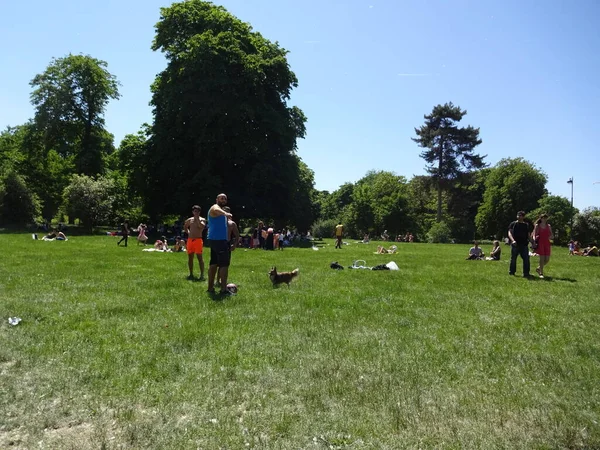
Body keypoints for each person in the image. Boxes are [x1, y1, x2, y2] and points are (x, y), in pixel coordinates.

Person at [207, 193, 233, 296]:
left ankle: (210, 288)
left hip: (215, 239)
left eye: (225, 199)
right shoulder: (215, 207)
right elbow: (216, 210)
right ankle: (223, 290)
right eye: (221, 198)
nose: (224, 200)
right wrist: (225, 214)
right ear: (217, 199)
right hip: (218, 240)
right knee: (224, 264)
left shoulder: (219, 211)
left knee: (213, 263)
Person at [216, 207, 240, 287]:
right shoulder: (217, 222)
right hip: (218, 243)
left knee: (225, 264)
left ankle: (222, 279)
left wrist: (234, 244)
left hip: (227, 243)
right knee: (217, 263)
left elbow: (237, 235)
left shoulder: (232, 224)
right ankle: (217, 280)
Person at [184, 205, 206, 280]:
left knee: (199, 257)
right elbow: (185, 226)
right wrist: (188, 232)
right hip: (190, 240)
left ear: (199, 212)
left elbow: (201, 226)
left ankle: (202, 275)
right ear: (192, 212)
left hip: (198, 240)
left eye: (197, 211)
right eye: (194, 211)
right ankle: (191, 274)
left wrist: (197, 219)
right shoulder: (189, 220)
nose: (196, 212)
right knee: (190, 257)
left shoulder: (202, 219)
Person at [508, 210, 532, 277]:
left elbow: (528, 235)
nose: (519, 216)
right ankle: (512, 272)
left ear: (523, 217)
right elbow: (509, 233)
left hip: (524, 244)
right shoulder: (513, 224)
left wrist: (532, 242)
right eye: (518, 215)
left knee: (526, 259)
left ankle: (526, 273)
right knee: (513, 259)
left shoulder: (526, 225)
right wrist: (513, 241)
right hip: (515, 244)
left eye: (520, 215)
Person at [532, 214, 552, 278]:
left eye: (546, 218)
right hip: (540, 243)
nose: (544, 219)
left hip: (547, 243)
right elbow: (534, 234)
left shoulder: (548, 226)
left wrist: (551, 237)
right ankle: (541, 273)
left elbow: (551, 234)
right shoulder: (537, 225)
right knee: (542, 258)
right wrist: (534, 242)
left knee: (547, 259)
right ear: (541, 218)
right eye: (543, 218)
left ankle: (538, 268)